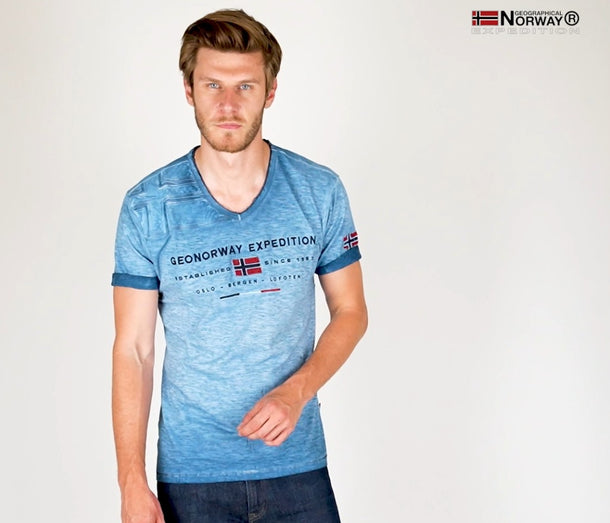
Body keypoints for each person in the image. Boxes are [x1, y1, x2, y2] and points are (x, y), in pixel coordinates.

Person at [111, 8, 367, 522]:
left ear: (270, 92)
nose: (228, 105)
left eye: (245, 86)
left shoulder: (318, 191)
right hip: (192, 478)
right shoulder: (148, 206)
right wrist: (131, 483)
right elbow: (134, 350)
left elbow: (351, 311)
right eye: (213, 85)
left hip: (297, 467)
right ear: (189, 90)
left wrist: (296, 393)